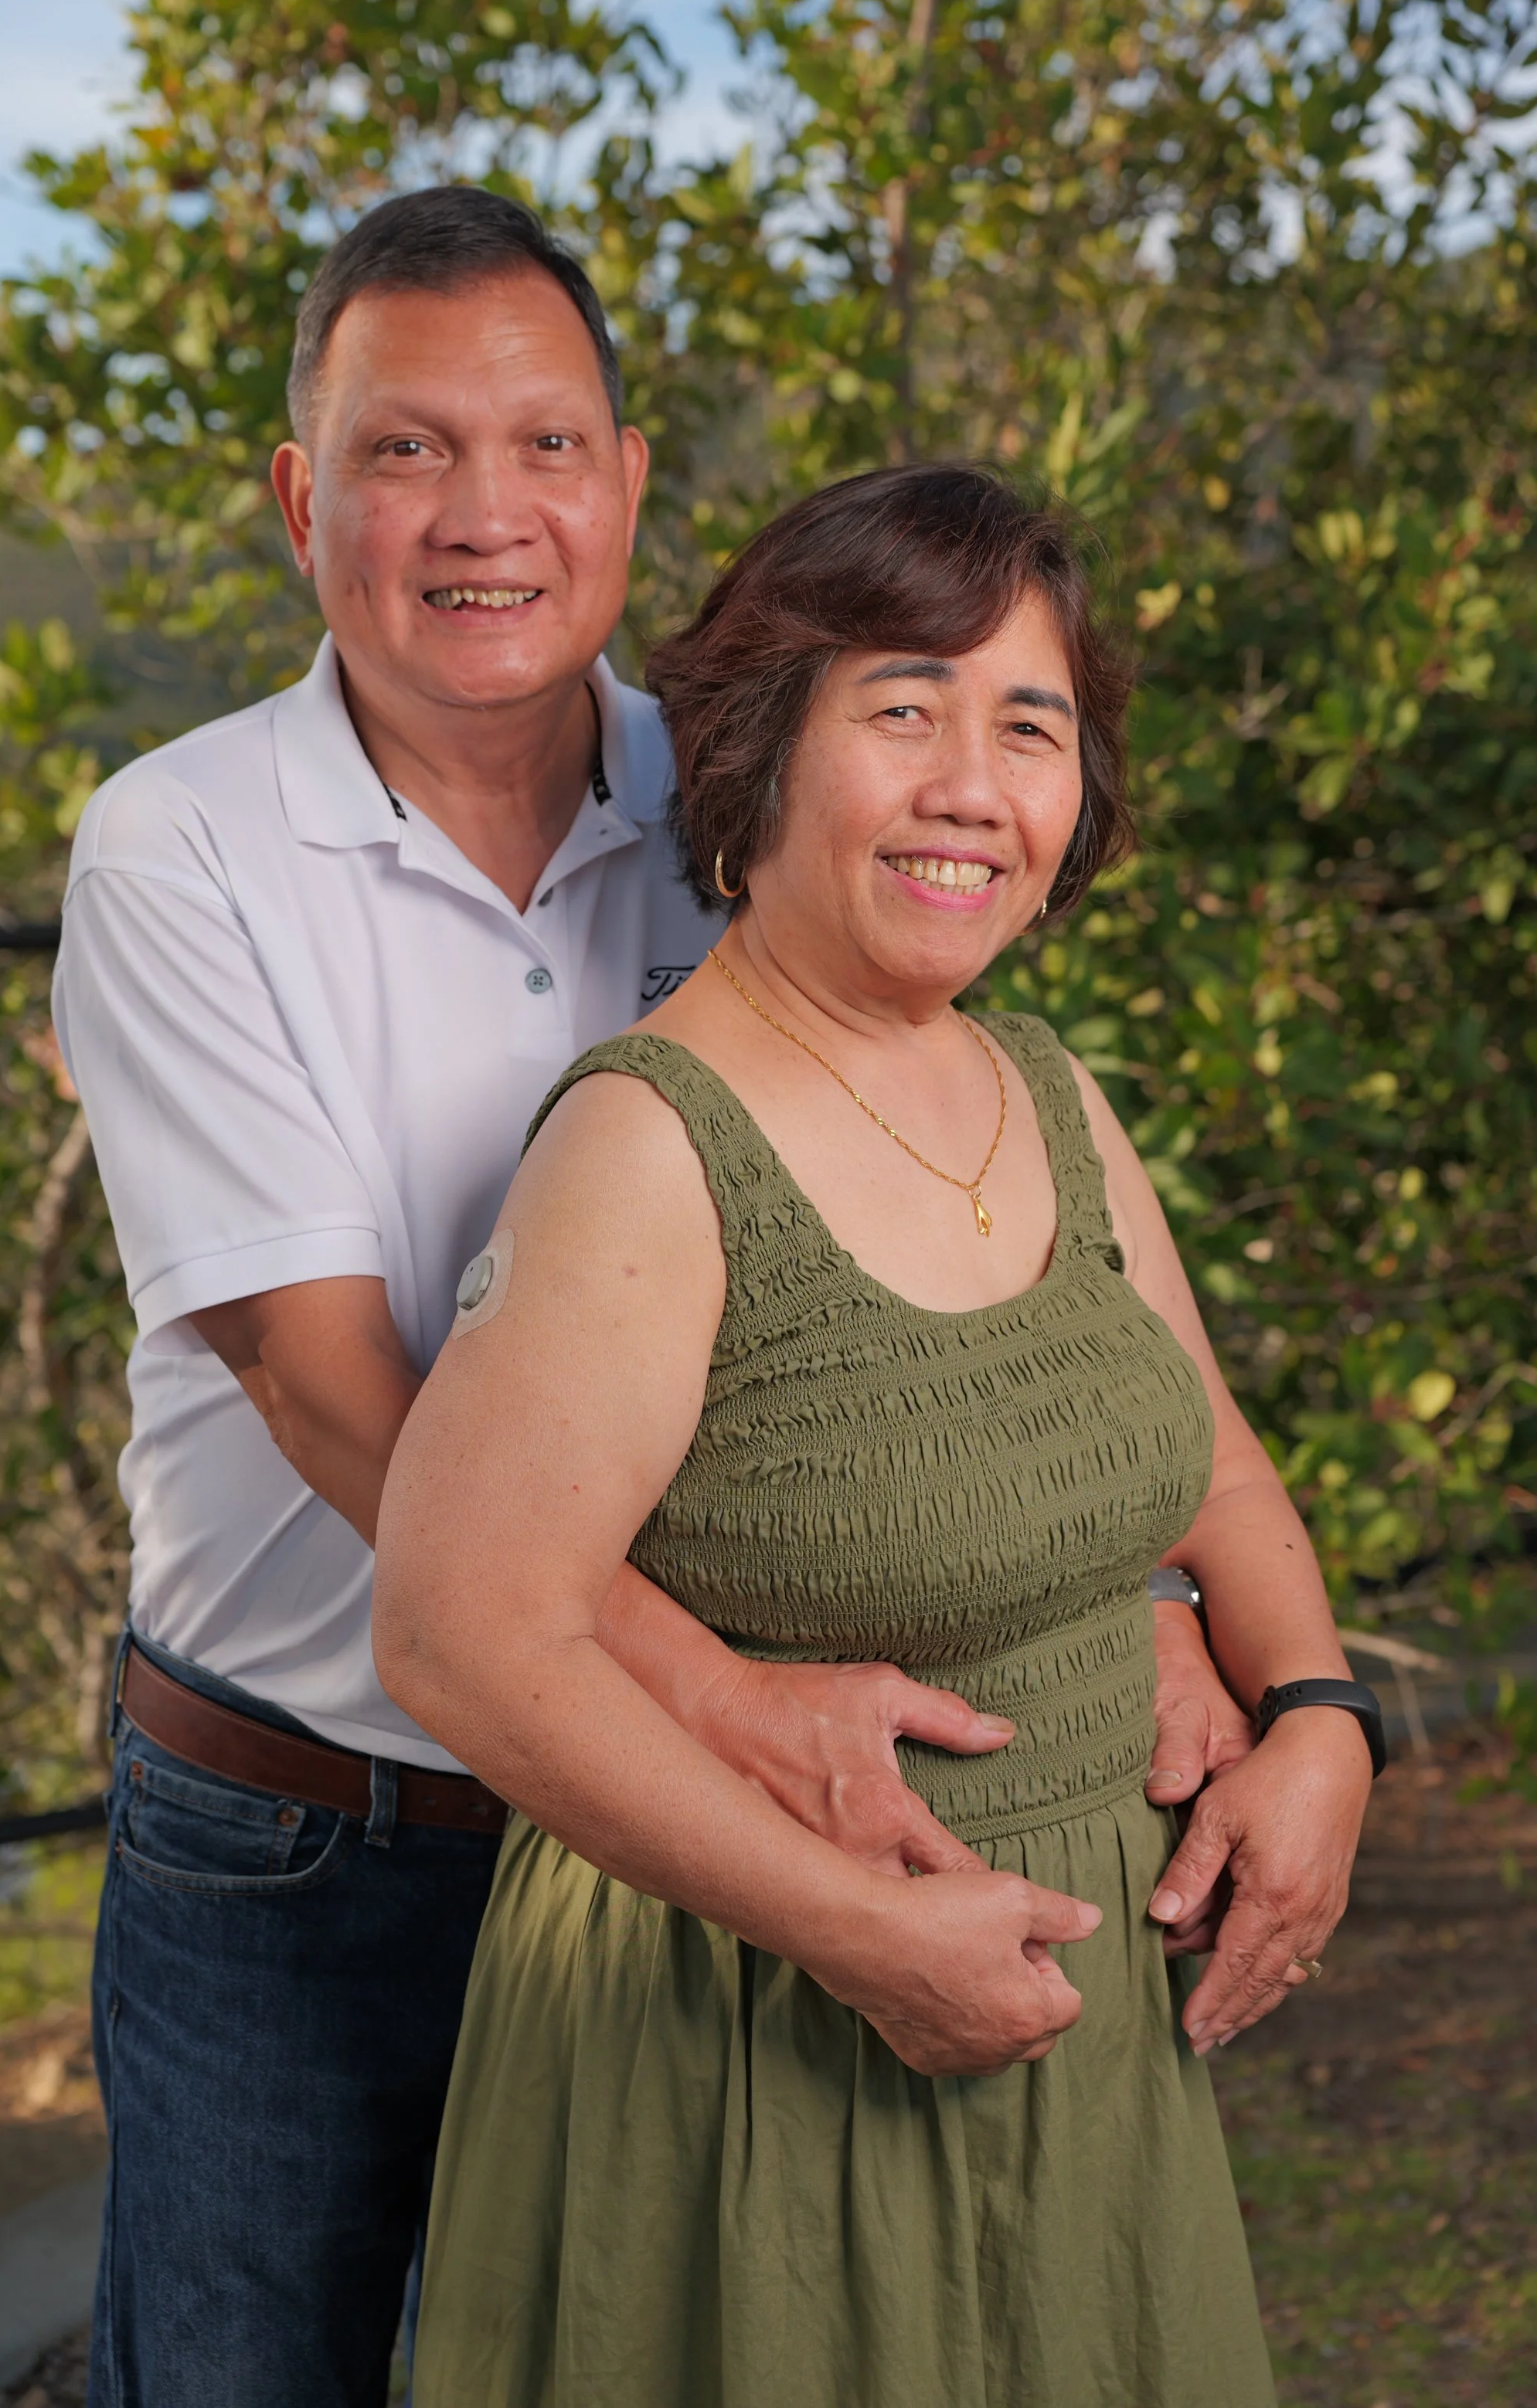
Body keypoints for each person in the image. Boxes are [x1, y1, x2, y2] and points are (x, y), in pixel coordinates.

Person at [54, 188, 1240, 2406]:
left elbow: (949, 1276)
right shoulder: (178, 850)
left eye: (546, 445)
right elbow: (337, 1407)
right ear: (308, 499)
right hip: (323, 1828)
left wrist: (1159, 1602)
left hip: (674, 1850)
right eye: (407, 451)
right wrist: (716, 1700)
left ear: (624, 482)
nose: (483, 512)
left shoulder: (752, 792)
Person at [373, 463, 1382, 2408]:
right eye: (902, 708)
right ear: (761, 749)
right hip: (757, 2036)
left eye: (1030, 725)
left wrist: (1321, 1716)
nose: (969, 785)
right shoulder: (652, 1149)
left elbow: (1219, 1464)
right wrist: (854, 1933)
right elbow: (458, 1634)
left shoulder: (1042, 1090)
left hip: (1079, 2040)